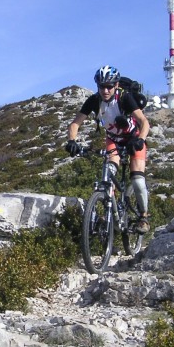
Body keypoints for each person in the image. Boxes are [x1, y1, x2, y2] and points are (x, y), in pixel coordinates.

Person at [65, 65, 150, 234]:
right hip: (113, 140)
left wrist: (141, 140)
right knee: (108, 172)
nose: (105, 90)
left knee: (138, 181)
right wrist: (72, 141)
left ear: (116, 85)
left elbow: (144, 122)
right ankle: (109, 209)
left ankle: (144, 216)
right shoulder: (94, 101)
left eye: (109, 86)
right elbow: (75, 123)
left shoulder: (125, 99)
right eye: (102, 86)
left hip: (133, 138)